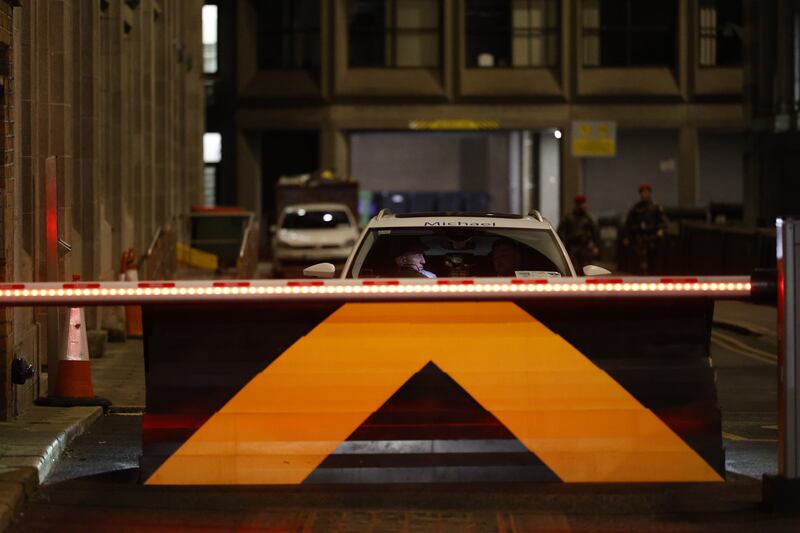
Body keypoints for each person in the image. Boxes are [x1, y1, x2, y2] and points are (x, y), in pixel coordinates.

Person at [622, 182, 668, 274]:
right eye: (643, 192)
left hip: (653, 238)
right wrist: (627, 237)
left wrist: (661, 230)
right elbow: (628, 224)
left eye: (647, 192)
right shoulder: (636, 208)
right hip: (639, 239)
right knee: (638, 264)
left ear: (650, 193)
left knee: (653, 263)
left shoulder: (656, 207)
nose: (645, 194)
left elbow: (663, 222)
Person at [557, 194, 600, 270]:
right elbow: (561, 231)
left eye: (582, 203)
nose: (581, 206)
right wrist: (562, 241)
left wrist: (595, 246)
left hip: (584, 248)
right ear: (575, 204)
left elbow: (595, 233)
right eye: (579, 203)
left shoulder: (588, 219)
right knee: (572, 269)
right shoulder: (568, 218)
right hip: (571, 248)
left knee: (586, 269)